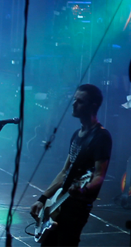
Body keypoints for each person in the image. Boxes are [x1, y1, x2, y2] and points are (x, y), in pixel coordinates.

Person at [30, 84, 112, 247]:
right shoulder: (76, 135)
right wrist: (43, 198)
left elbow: (99, 175)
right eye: (74, 100)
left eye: (79, 101)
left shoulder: (101, 137)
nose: (74, 104)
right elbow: (64, 172)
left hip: (77, 207)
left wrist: (84, 189)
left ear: (92, 105)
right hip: (60, 202)